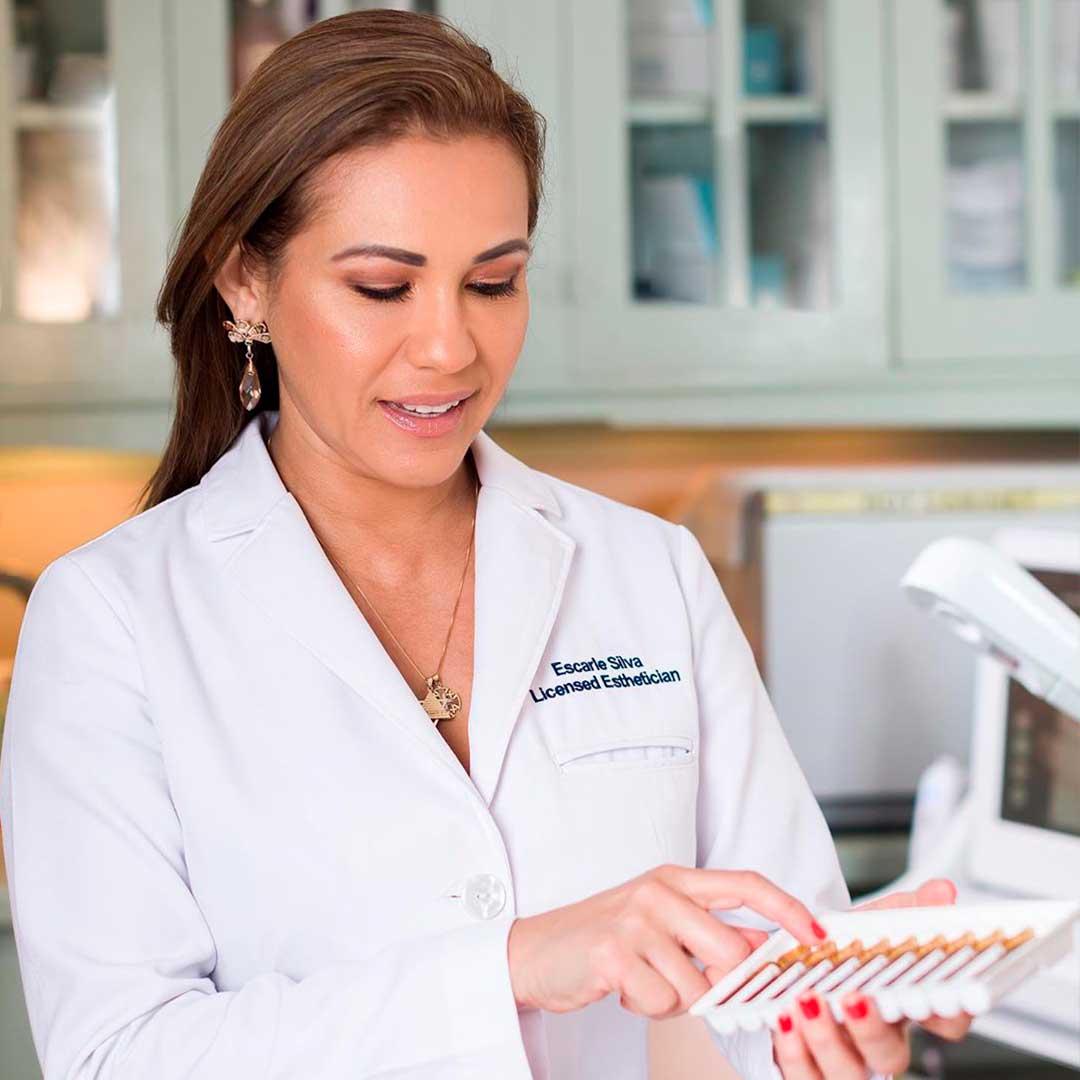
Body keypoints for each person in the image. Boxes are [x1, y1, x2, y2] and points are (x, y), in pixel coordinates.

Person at [0, 10, 972, 1078]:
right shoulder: (112, 621)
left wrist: (844, 1016)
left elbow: (769, 963)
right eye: (382, 287)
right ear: (246, 283)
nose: (450, 346)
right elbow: (120, 1057)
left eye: (493, 281)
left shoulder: (648, 572)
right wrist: (510, 964)